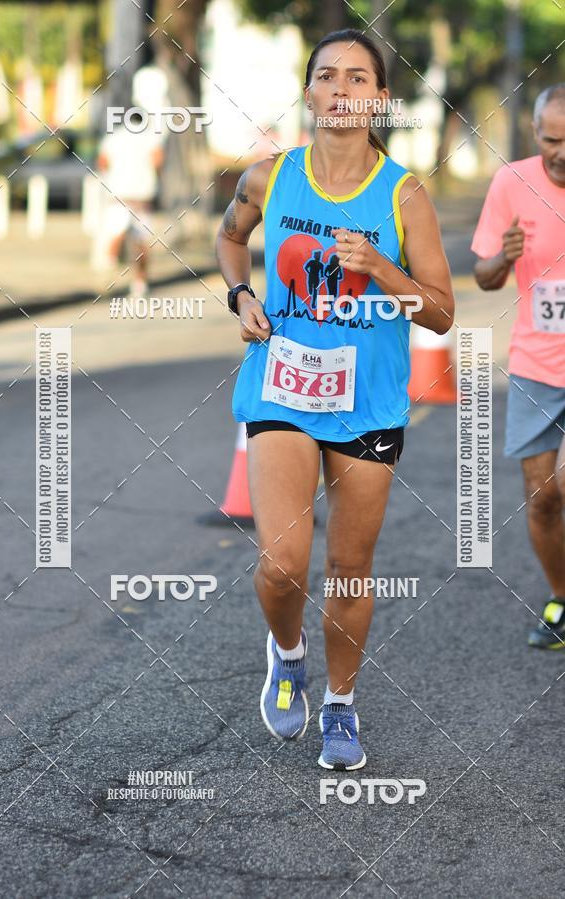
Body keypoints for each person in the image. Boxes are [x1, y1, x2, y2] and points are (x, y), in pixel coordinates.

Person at [216, 29, 454, 769]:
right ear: (311, 92)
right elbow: (230, 238)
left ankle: (341, 704)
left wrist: (382, 265)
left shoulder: (404, 192)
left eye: (359, 78)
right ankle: (287, 655)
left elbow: (442, 311)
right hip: (282, 385)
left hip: (368, 403)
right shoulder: (270, 175)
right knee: (283, 564)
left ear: (380, 99)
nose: (343, 89)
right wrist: (241, 292)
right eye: (328, 76)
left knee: (349, 567)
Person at [472, 84, 565, 649]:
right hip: (535, 362)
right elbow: (484, 276)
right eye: (553, 139)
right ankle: (561, 597)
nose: (562, 151)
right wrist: (502, 257)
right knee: (544, 495)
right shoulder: (513, 181)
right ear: (536, 134)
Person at [97, 109, 165, 296]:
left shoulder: (114, 137)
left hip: (117, 194)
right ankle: (139, 283)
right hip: (142, 196)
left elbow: (102, 162)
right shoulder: (151, 137)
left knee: (114, 236)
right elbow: (157, 161)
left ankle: (106, 279)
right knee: (141, 241)